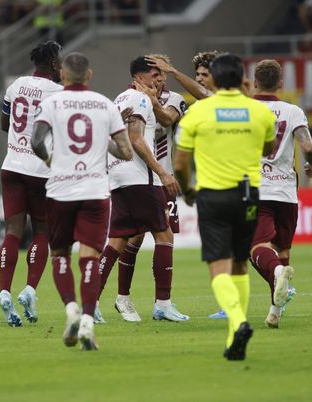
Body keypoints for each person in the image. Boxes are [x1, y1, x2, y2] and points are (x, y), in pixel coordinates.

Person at [175, 53, 276, 360]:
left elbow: (180, 164)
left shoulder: (198, 113)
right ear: (243, 78)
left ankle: (238, 322)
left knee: (218, 267)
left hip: (212, 197)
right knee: (240, 264)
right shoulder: (259, 112)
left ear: (215, 80)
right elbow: (268, 149)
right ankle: (235, 338)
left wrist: (189, 191)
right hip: (248, 195)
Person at [31, 52, 133, 350]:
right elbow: (126, 152)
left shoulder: (50, 104)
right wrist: (106, 139)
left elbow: (37, 141)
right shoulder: (104, 104)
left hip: (61, 190)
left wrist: (51, 160)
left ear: (62, 75)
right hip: (95, 191)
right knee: (90, 257)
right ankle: (88, 322)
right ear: (89, 75)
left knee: (59, 253)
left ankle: (72, 310)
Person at [208, 59, 312, 327]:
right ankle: (275, 313)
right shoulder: (293, 111)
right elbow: (307, 145)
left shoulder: (245, 109)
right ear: (281, 83)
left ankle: (279, 274)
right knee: (282, 249)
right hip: (287, 193)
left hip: (256, 189)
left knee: (255, 247)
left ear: (255, 82)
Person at [95, 56, 188, 323]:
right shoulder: (140, 99)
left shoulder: (119, 100)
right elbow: (135, 138)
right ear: (140, 78)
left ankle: (90, 303)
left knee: (118, 240)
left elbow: (165, 120)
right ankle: (163, 304)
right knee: (164, 235)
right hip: (142, 177)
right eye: (155, 74)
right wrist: (162, 173)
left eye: (163, 75)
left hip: (119, 177)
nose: (160, 79)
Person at [0, 41, 63, 327]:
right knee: (42, 232)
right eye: (59, 61)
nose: (62, 65)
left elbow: (4, 123)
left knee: (12, 231)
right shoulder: (59, 94)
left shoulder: (16, 85)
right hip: (41, 171)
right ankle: (29, 289)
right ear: (52, 64)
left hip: (11, 166)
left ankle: (3, 291)